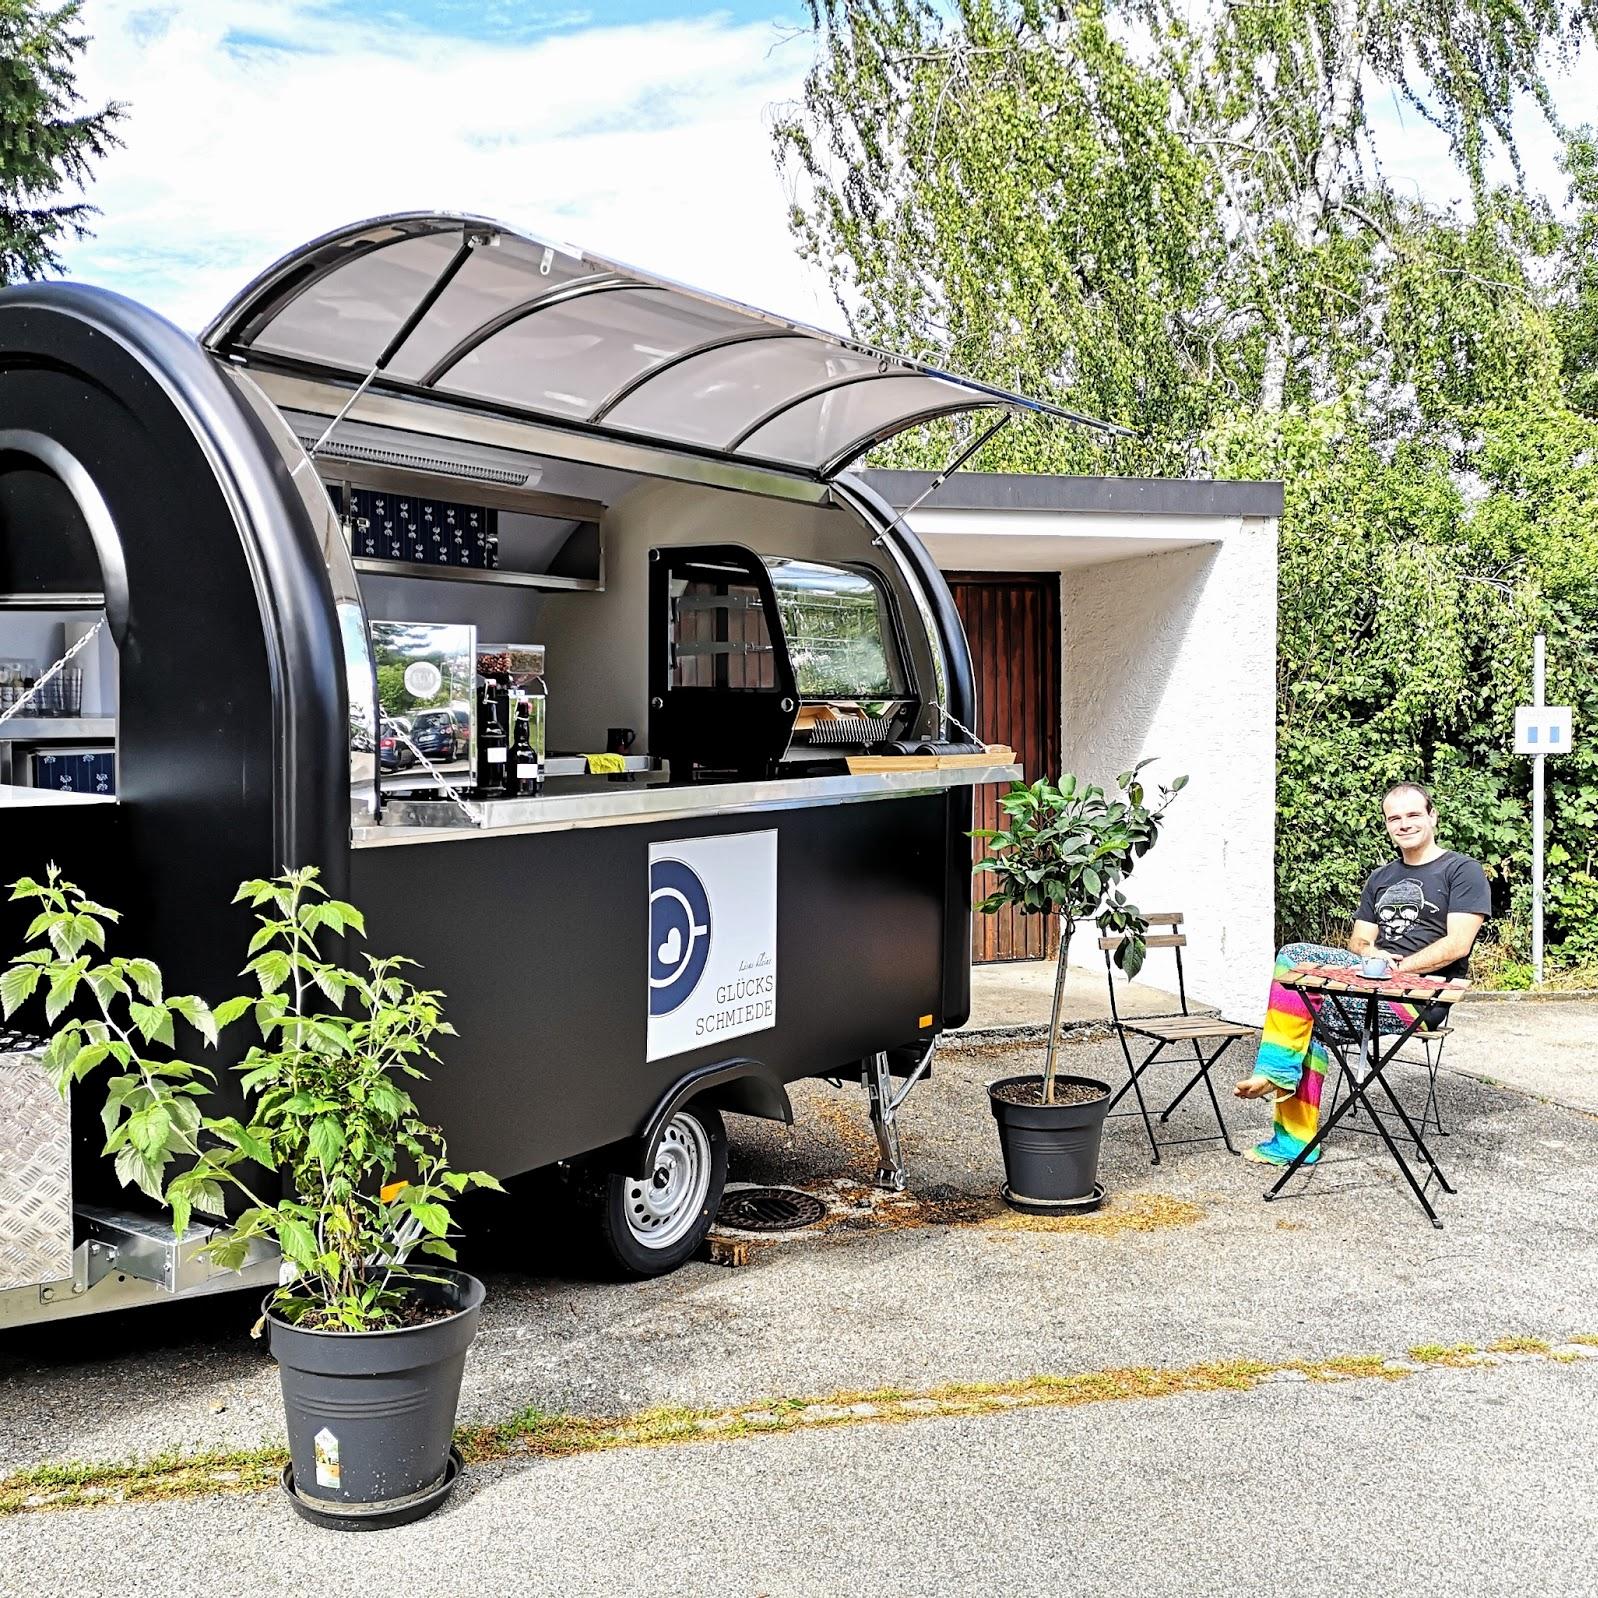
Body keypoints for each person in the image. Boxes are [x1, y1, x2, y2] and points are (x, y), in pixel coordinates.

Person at [1233, 782, 1490, 1165]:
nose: (1404, 824)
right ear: (1387, 825)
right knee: (1301, 990)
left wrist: (1399, 967)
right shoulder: (1381, 877)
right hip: (1369, 983)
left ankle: (1276, 1079)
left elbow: (1457, 945)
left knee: (1300, 981)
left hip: (1421, 997)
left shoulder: (1462, 871)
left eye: (1413, 814)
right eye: (1395, 818)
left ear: (1432, 817)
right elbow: (1359, 942)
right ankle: (1293, 1137)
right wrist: (1374, 956)